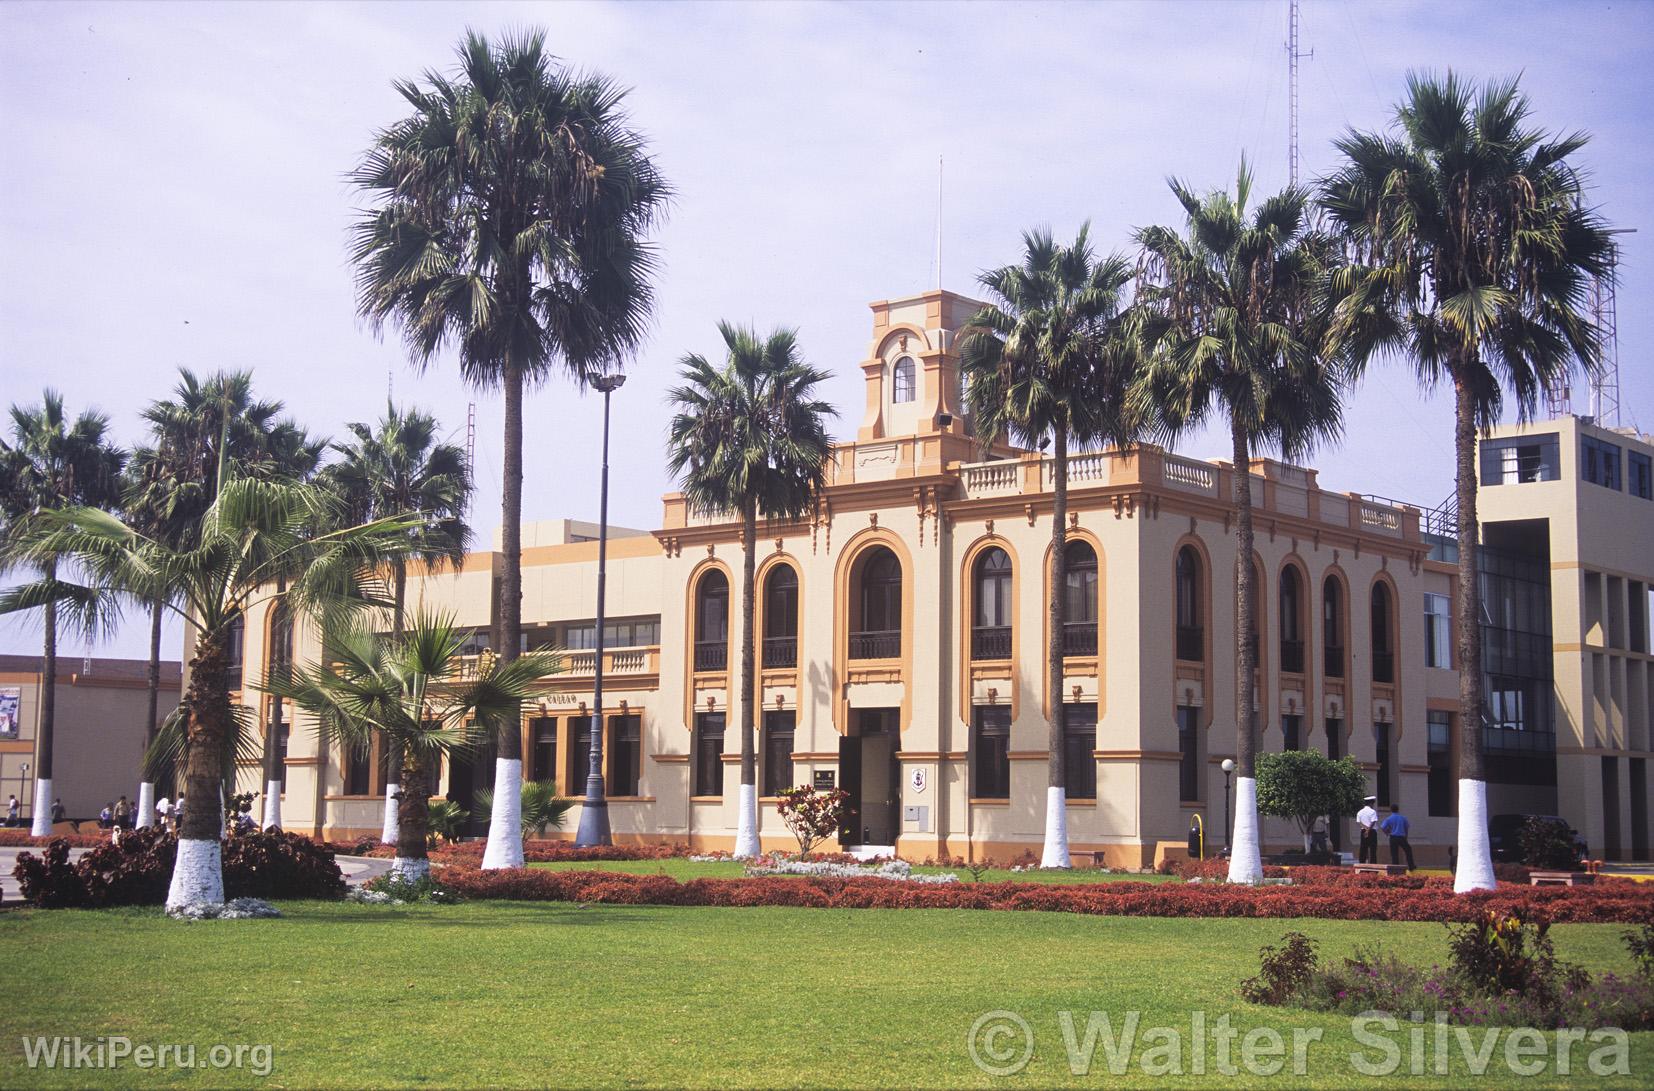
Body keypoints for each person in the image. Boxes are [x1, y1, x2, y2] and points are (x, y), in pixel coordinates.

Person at [1381, 803, 1415, 870]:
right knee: (1408, 850)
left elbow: (1383, 827)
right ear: (1398, 809)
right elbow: (1406, 828)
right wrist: (1406, 836)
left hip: (1393, 837)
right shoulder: (1403, 818)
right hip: (1401, 837)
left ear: (1391, 810)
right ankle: (1411, 865)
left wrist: (1387, 833)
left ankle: (1395, 868)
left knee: (1394, 853)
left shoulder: (1389, 818)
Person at [1356, 795, 1379, 864]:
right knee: (1373, 849)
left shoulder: (1360, 812)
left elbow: (1359, 822)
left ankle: (1361, 863)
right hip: (1372, 831)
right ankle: (1373, 864)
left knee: (1363, 848)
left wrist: (1365, 829)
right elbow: (1373, 821)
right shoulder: (1372, 812)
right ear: (1370, 803)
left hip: (1363, 831)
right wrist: (1368, 830)